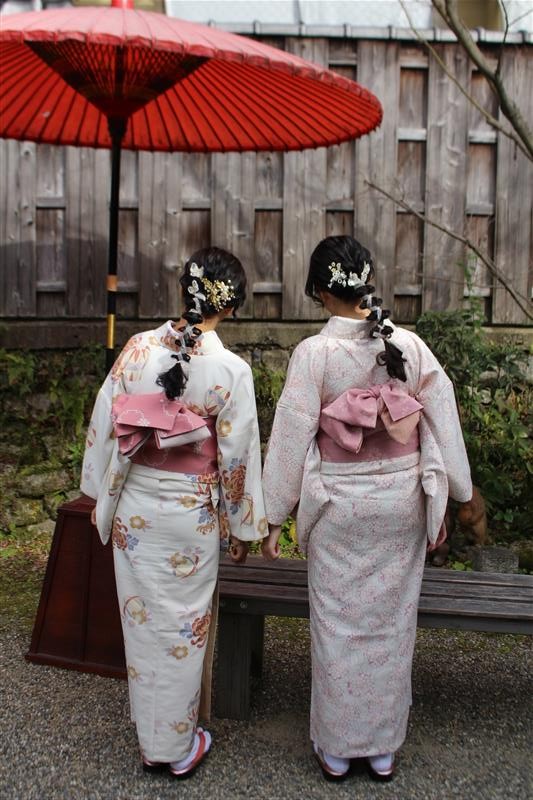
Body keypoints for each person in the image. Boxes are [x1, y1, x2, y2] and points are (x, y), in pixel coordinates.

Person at [261, 235, 472, 782]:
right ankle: (381, 748)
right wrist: (458, 492)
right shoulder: (409, 345)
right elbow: (442, 413)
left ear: (319, 291)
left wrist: (274, 515)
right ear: (367, 283)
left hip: (341, 504)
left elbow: (291, 434)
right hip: (401, 501)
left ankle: (336, 748)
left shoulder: (316, 354)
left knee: (336, 624)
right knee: (392, 624)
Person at [80, 247, 267, 778]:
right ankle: (174, 747)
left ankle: (155, 741)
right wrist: (242, 526)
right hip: (192, 514)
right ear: (230, 307)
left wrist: (97, 494)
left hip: (136, 506)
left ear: (184, 290)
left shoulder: (137, 350)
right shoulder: (230, 370)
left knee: (142, 625)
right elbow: (237, 457)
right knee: (185, 626)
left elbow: (104, 426)